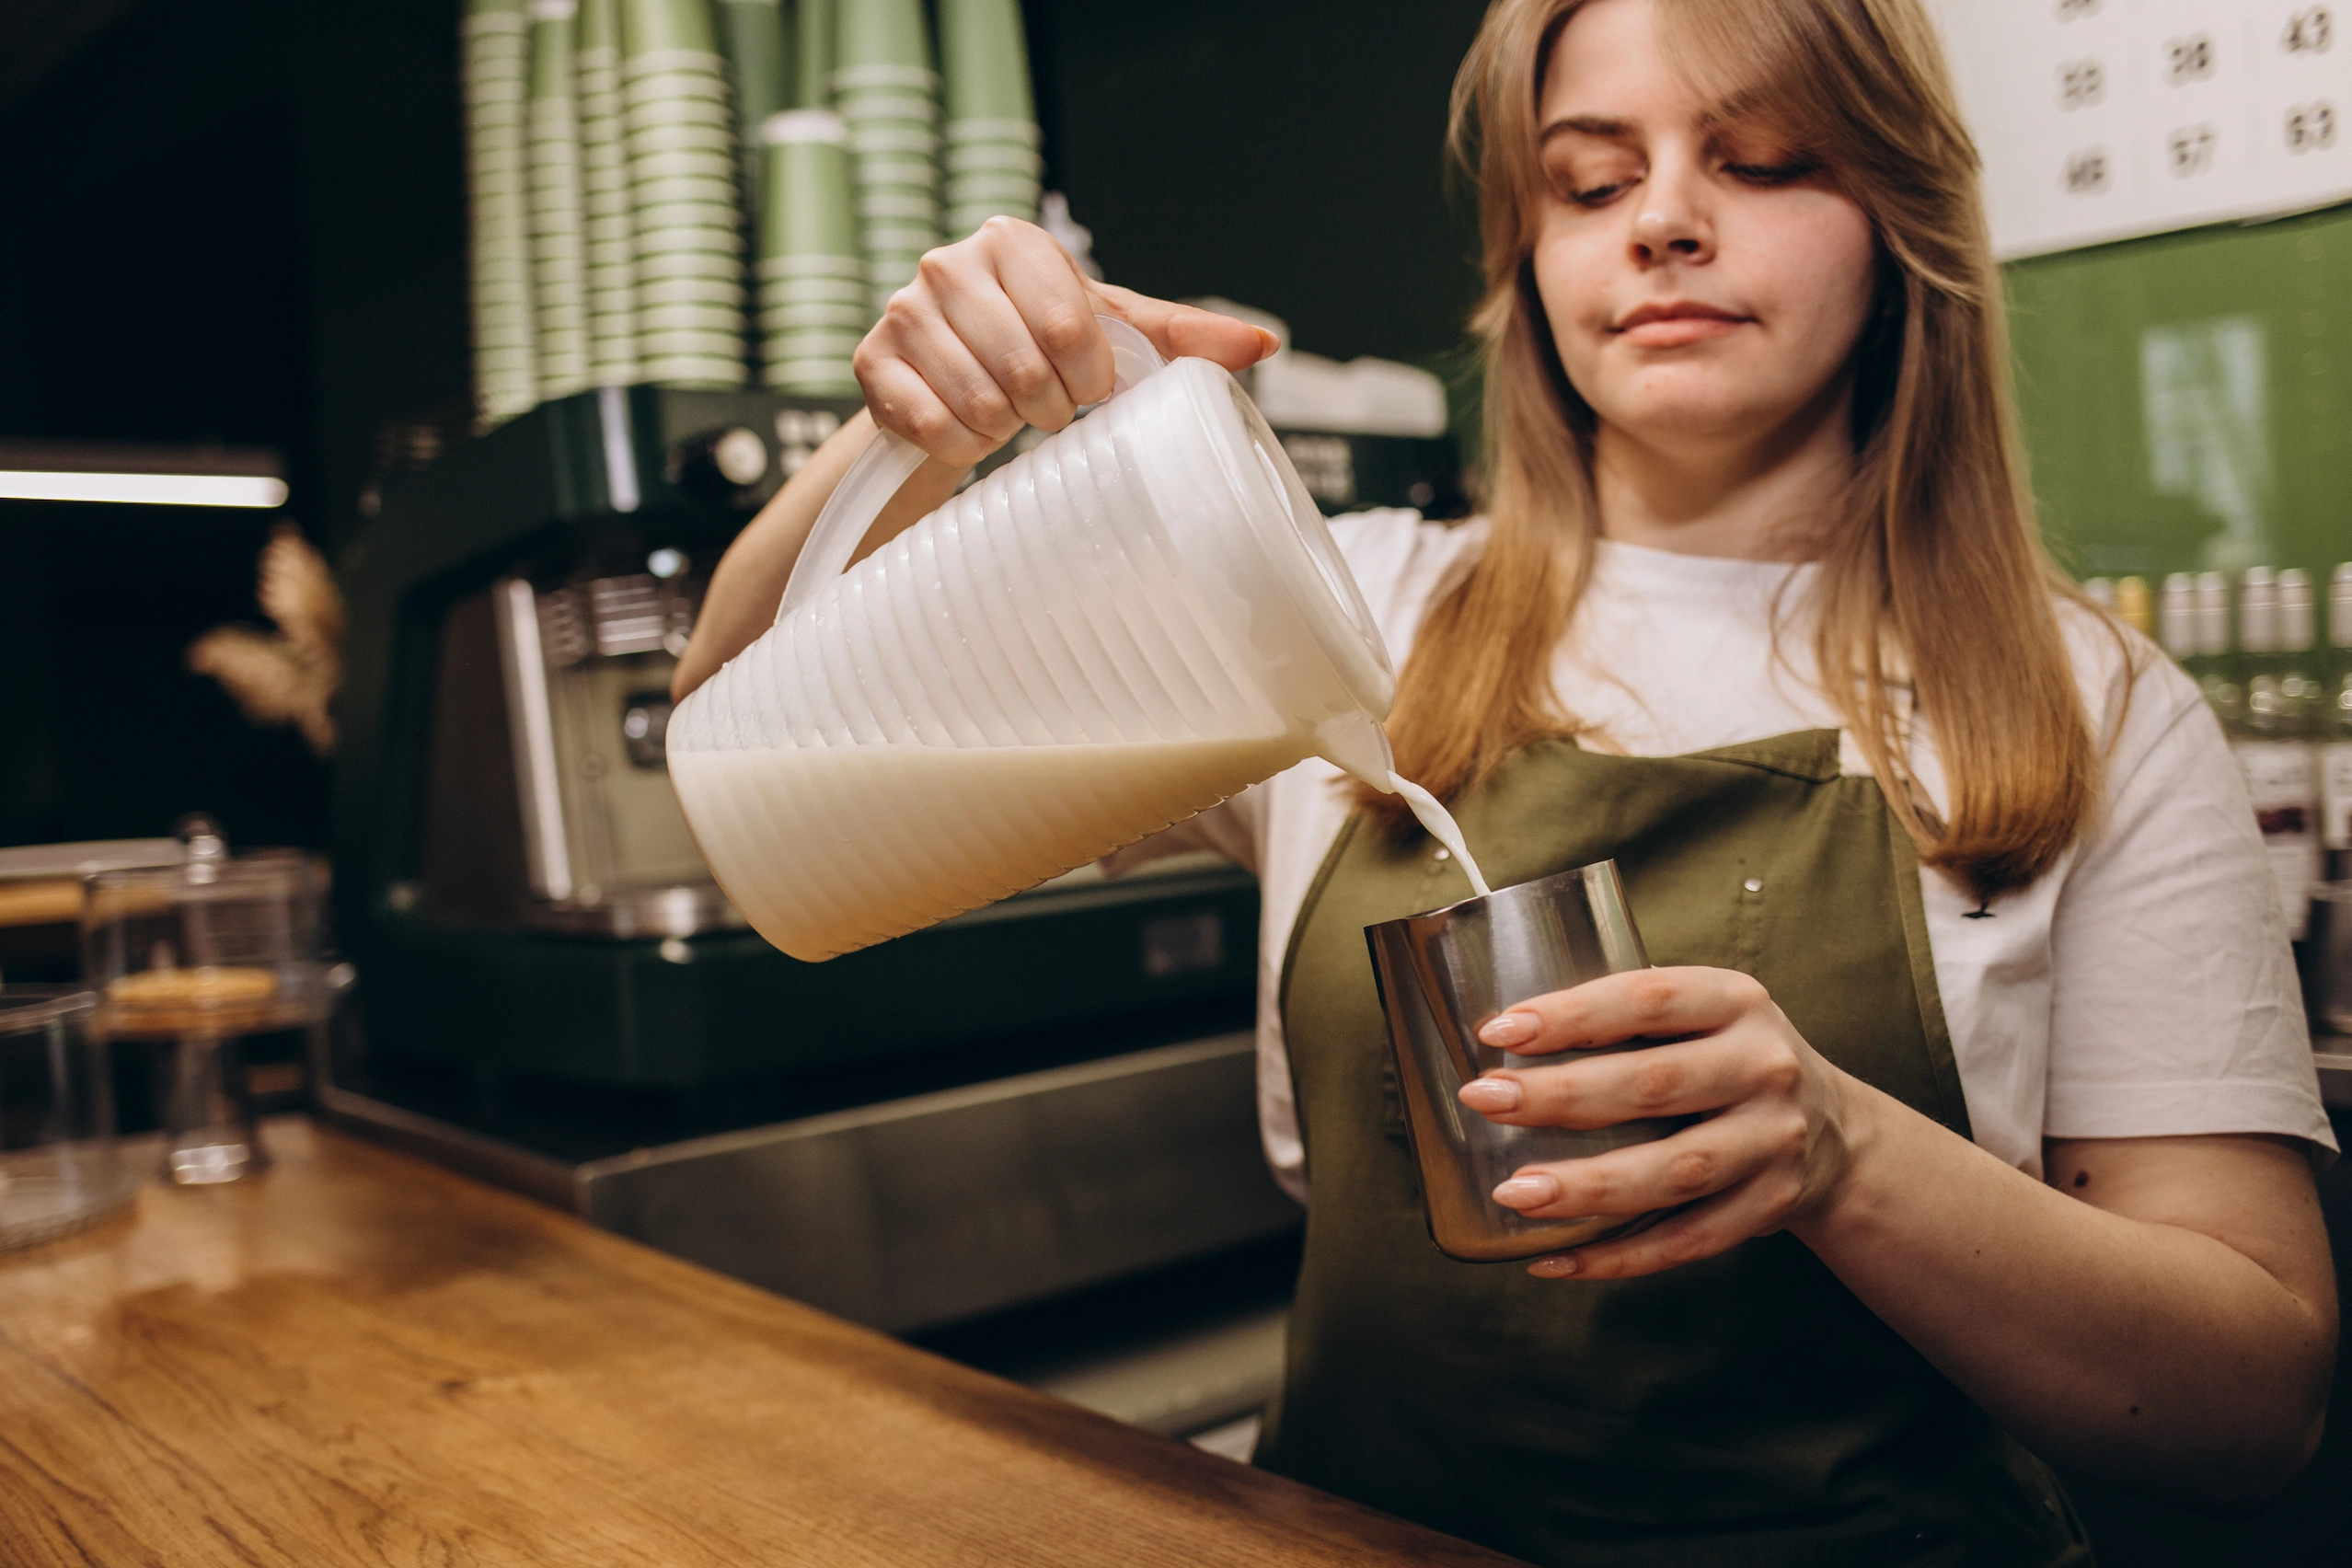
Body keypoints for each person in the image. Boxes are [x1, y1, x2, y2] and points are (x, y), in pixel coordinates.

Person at [674, 0, 2338, 1561]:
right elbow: (753, 742)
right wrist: (917, 428)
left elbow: (2252, 1401)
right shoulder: (1329, 610)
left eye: (1759, 162)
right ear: (1527, 250)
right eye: (1590, 177)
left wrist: (1842, 1152)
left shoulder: (2090, 706)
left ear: (1901, 220)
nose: (1663, 221)